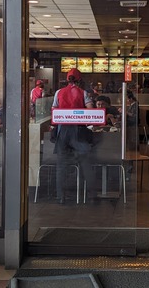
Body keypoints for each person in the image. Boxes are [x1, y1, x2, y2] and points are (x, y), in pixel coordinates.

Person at [51, 68, 96, 204]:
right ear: (79, 79)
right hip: (79, 131)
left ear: (67, 79)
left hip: (63, 131)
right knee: (85, 163)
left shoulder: (59, 92)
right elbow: (91, 112)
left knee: (61, 166)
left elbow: (54, 111)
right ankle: (90, 194)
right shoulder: (84, 93)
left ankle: (61, 196)